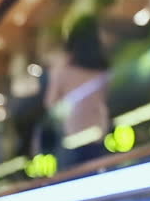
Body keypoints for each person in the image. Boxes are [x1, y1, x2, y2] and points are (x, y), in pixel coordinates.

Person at [45, 16, 110, 166]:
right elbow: (105, 100)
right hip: (99, 134)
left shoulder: (63, 67)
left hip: (72, 136)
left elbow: (50, 104)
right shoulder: (103, 67)